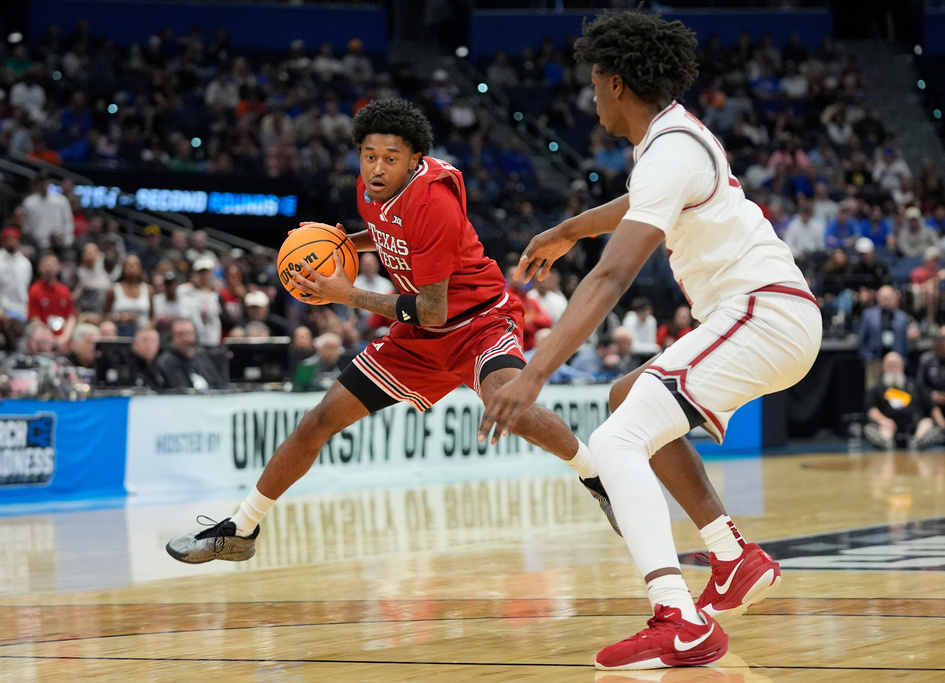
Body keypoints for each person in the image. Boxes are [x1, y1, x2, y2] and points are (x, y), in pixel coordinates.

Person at [478, 14, 821, 670]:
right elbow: (636, 204)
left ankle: (678, 614)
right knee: (629, 394)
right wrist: (569, 229)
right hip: (762, 314)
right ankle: (731, 555)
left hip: (763, 313)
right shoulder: (670, 142)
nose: (592, 99)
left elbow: (611, 277)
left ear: (614, 83)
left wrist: (534, 373)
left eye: (594, 86)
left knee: (615, 440)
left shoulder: (670, 151)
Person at [166, 99, 614, 582]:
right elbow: (387, 234)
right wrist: (341, 245)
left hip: (477, 320)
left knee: (510, 406)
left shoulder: (434, 203)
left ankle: (596, 474)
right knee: (317, 421)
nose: (377, 168)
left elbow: (432, 309)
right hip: (419, 336)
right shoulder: (368, 190)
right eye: (368, 155)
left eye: (390, 158)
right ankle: (242, 528)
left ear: (414, 159)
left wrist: (347, 294)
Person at [863, 352, 944, 450]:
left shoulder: (914, 385)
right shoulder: (877, 388)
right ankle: (887, 444)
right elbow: (871, 409)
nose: (893, 368)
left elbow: (932, 406)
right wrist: (883, 421)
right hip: (887, 428)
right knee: (870, 429)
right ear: (883, 368)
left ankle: (917, 443)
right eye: (890, 365)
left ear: (902, 366)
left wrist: (942, 424)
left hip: (916, 428)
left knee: (929, 424)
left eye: (896, 364)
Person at [858, 285, 913, 389]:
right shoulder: (868, 315)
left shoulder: (903, 317)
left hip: (896, 360)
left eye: (888, 298)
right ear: (878, 298)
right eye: (883, 298)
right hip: (874, 359)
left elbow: (905, 341)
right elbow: (862, 338)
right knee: (873, 388)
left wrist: (903, 359)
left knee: (897, 389)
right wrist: (866, 356)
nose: (886, 301)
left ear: (895, 298)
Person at [154, 317, 226, 391]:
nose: (185, 338)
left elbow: (218, 385)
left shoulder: (202, 357)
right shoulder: (165, 362)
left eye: (188, 333)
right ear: (172, 337)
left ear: (195, 335)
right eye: (180, 334)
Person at [27, 252, 76, 349]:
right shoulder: (34, 290)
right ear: (39, 268)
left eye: (52, 263)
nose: (49, 266)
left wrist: (64, 337)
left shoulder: (65, 291)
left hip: (63, 338)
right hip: (44, 339)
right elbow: (34, 319)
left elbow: (71, 317)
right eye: (45, 264)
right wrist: (50, 338)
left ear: (59, 267)